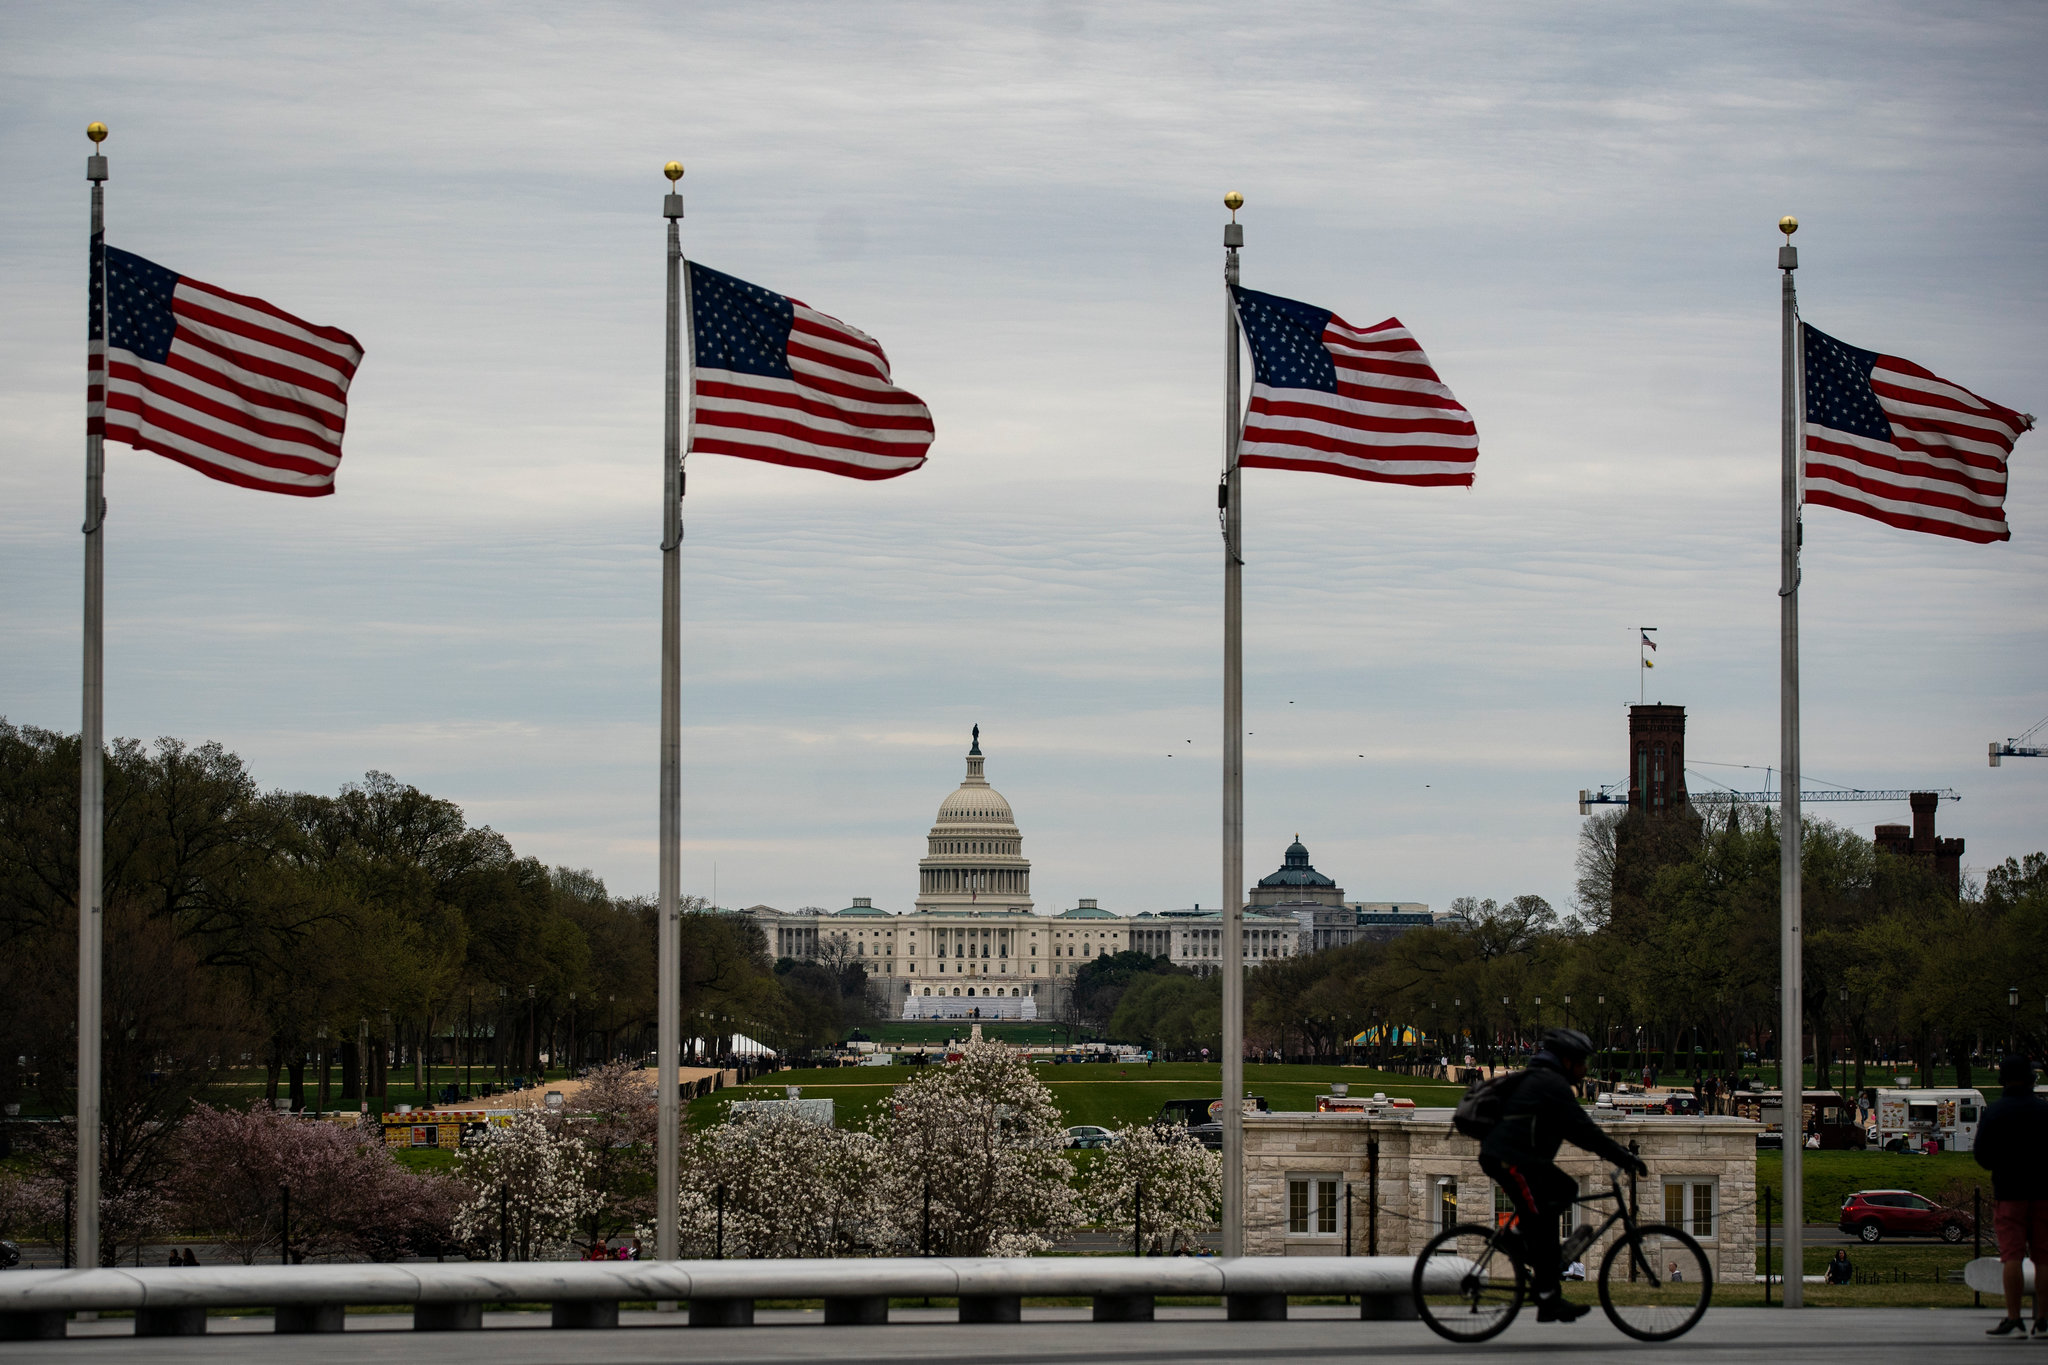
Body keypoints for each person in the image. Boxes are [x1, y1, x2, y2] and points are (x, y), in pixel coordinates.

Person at [1479, 1027, 1648, 1324]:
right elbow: (1585, 1130)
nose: (1585, 1070)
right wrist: (1624, 1157)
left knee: (1564, 1191)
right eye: (1582, 1062)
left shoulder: (1547, 1080)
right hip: (1508, 1159)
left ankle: (1547, 1292)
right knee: (1540, 1219)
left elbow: (1578, 1131)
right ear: (1567, 1060)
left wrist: (1616, 1153)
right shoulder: (1551, 1084)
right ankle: (1520, 1245)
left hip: (1522, 1158)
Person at [1974, 1054, 2048, 1337]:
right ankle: (2043, 1318)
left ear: (2002, 1079)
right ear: (2031, 1079)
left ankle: (2014, 1316)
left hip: (2010, 1191)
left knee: (2012, 1255)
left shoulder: (1995, 1112)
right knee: (2044, 1257)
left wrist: (2002, 1165)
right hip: (2043, 1191)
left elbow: (1982, 1154)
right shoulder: (2044, 1112)